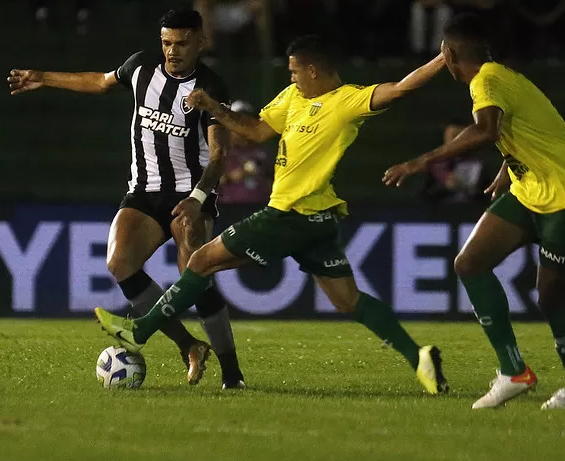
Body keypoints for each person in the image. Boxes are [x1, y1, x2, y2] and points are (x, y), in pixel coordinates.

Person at [93, 36, 449, 395]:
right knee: (347, 300)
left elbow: (400, 88)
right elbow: (256, 130)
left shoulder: (347, 100)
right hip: (318, 220)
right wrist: (214, 108)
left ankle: (139, 330)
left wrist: (440, 59)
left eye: (294, 71)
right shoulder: (293, 98)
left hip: (287, 216)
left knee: (200, 261)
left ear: (313, 69)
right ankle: (418, 357)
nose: (291, 78)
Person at [7, 8, 245, 389]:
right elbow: (100, 82)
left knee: (195, 278)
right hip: (143, 192)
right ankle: (188, 346)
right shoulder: (140, 68)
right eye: (166, 42)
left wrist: (199, 198)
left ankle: (233, 377)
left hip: (190, 194)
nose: (172, 51)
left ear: (201, 42)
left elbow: (218, 155)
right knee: (119, 263)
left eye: (182, 43)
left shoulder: (212, 89)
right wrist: (44, 77)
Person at [383, 13, 565, 410]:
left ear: (449, 54)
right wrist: (509, 166)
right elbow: (532, 128)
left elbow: (486, 129)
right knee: (469, 263)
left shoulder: (486, 81)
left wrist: (420, 162)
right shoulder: (506, 77)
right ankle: (514, 371)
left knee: (551, 297)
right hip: (529, 189)